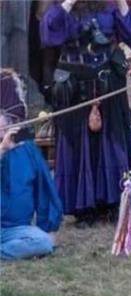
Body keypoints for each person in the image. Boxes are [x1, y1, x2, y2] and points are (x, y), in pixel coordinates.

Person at [40, 0, 131, 228]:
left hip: (106, 81)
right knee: (77, 143)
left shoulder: (109, 5)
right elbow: (48, 34)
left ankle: (112, 202)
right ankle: (83, 208)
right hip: (74, 86)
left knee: (110, 140)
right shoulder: (60, 6)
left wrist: (122, 2)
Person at [0, 69, 63, 261]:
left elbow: (45, 190)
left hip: (17, 230)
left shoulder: (26, 150)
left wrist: (48, 227)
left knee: (43, 242)